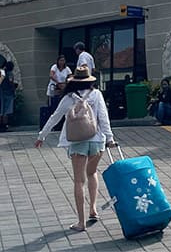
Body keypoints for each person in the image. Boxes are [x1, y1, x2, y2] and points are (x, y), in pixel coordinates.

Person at [34, 66, 116, 233]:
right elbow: (103, 117)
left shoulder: (68, 98)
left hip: (77, 142)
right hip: (97, 140)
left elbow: (55, 117)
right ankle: (93, 209)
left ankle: (81, 222)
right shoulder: (96, 94)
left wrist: (41, 136)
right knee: (92, 173)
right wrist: (110, 138)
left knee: (79, 181)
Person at [0, 61, 18, 132]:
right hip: (8, 92)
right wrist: (13, 89)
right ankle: (5, 125)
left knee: (2, 110)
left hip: (2, 92)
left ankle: (0, 125)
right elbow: (10, 82)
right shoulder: (10, 73)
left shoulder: (2, 73)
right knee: (7, 110)